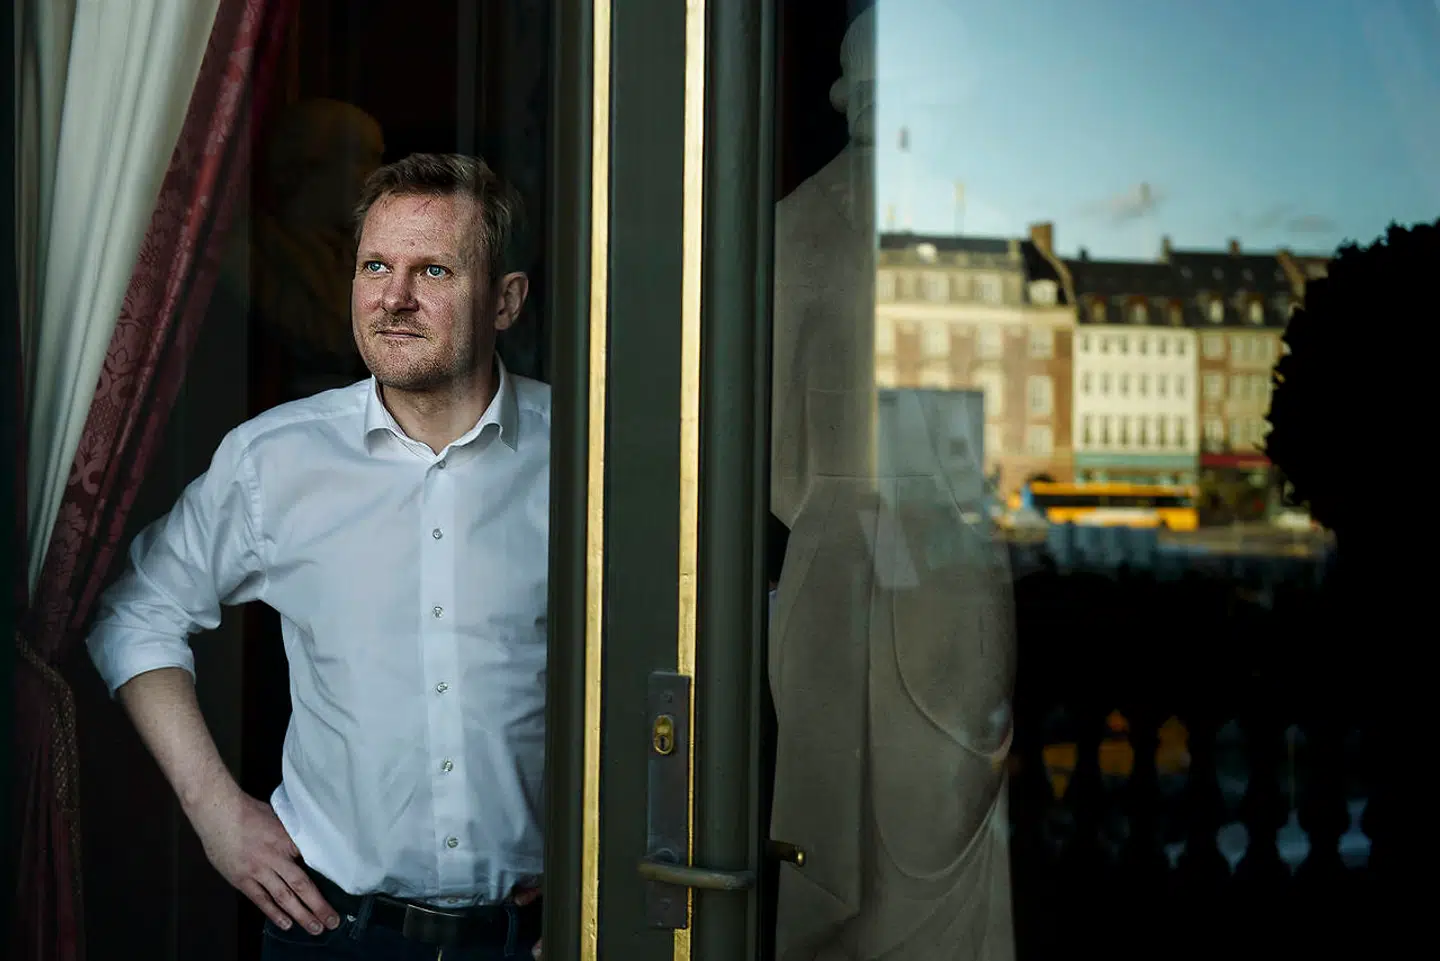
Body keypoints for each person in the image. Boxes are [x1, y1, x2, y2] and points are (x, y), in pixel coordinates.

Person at [87, 154, 548, 960]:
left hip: (544, 934)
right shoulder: (275, 459)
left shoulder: (585, 455)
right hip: (334, 937)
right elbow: (136, 613)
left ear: (506, 300)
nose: (394, 298)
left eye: (433, 270)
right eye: (375, 266)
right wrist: (214, 810)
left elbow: (665, 658)